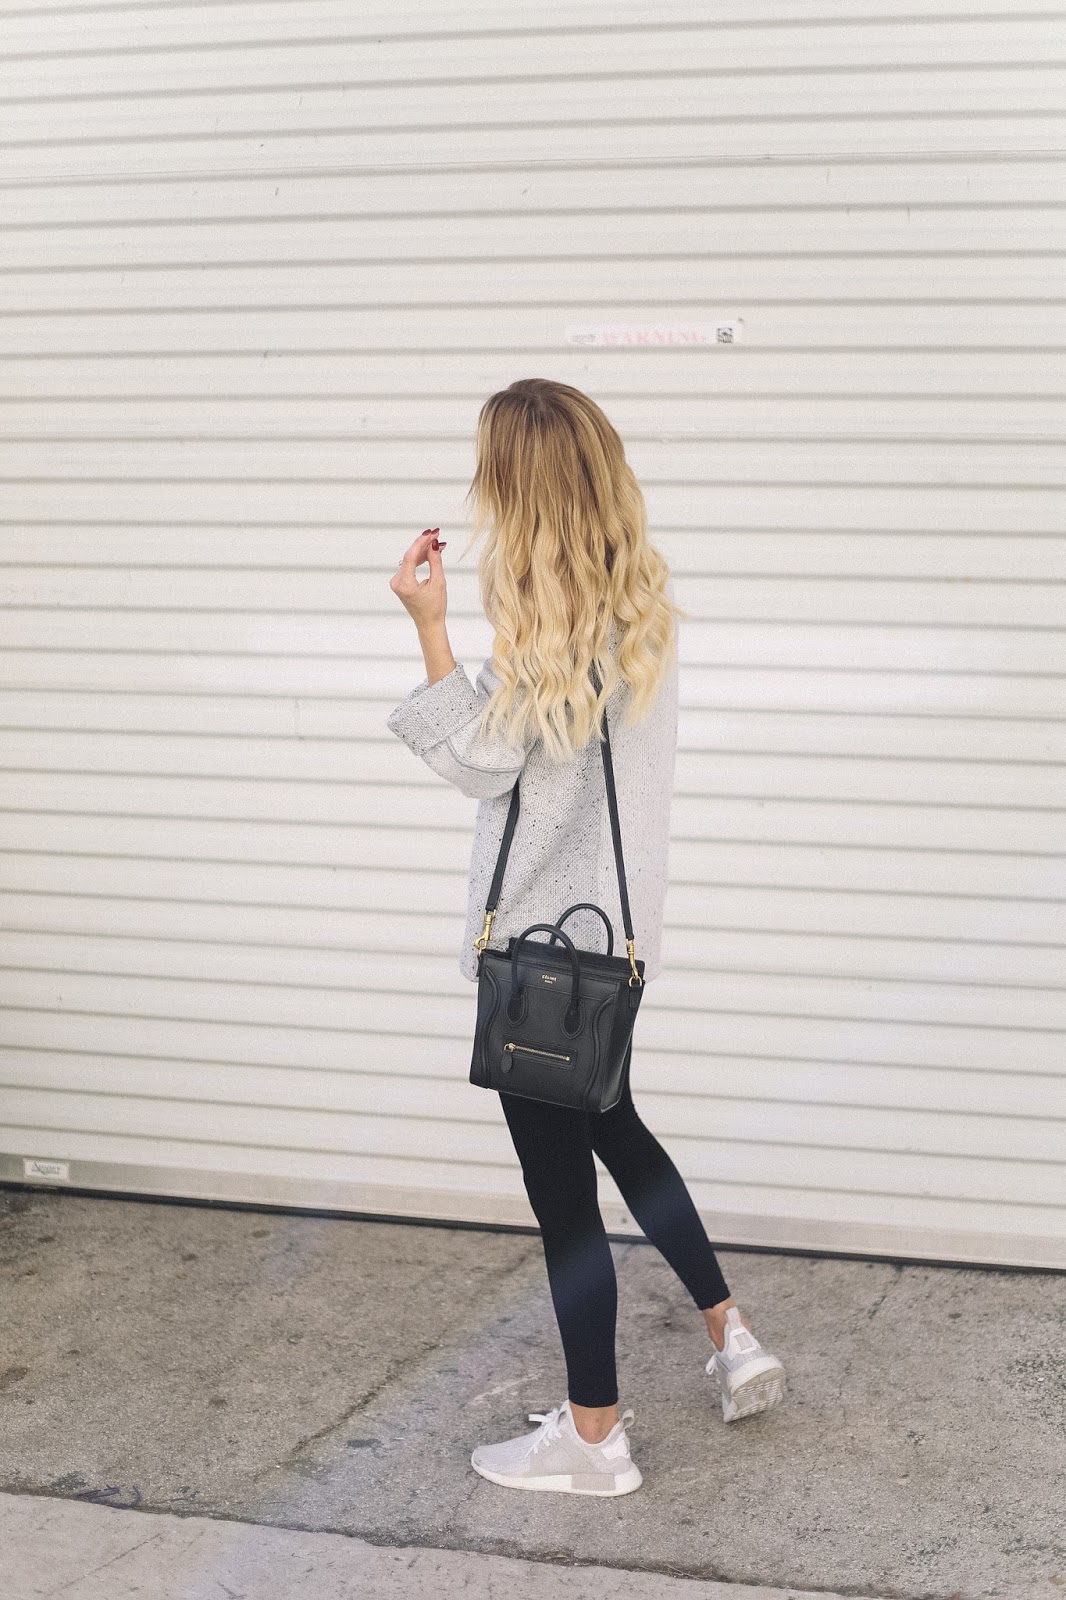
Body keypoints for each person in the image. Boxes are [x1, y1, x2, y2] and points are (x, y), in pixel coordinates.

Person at [386, 378, 785, 1497]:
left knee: (564, 1199)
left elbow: (478, 766)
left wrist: (428, 629)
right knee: (619, 1129)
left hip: (542, 966)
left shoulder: (550, 633)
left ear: (519, 489)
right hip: (616, 950)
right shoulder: (636, 605)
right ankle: (729, 1330)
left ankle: (595, 1437)